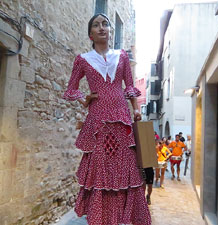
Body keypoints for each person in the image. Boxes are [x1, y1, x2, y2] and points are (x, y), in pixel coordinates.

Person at [63, 13, 151, 225]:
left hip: (122, 118)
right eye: (96, 25)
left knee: (126, 167)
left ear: (110, 31)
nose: (102, 27)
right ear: (91, 34)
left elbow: (129, 87)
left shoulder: (121, 56)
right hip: (98, 121)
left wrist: (136, 109)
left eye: (106, 24)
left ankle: (121, 218)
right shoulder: (82, 60)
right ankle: (101, 218)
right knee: (100, 169)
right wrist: (85, 98)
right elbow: (69, 90)